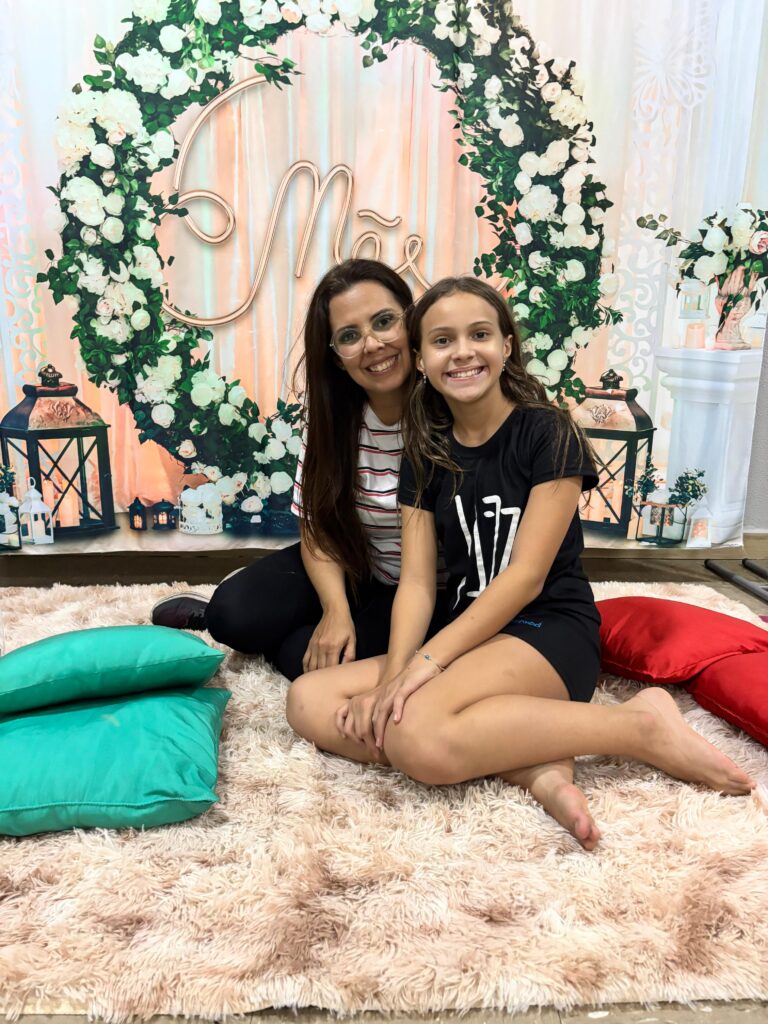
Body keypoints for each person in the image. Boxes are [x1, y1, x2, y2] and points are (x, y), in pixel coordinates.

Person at [286, 276, 755, 850]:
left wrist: (424, 667)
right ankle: (535, 766)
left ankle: (637, 726)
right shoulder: (425, 451)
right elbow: (417, 584)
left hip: (545, 628)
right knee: (308, 700)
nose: (462, 352)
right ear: (421, 359)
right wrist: (392, 679)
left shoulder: (547, 433)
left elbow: (526, 577)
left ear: (506, 345)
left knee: (417, 738)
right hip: (466, 631)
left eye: (479, 334)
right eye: (442, 340)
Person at [152, 258, 427, 680]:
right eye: (350, 336)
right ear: (337, 358)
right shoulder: (333, 420)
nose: (372, 344)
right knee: (231, 615)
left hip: (424, 591)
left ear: (412, 323)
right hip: (358, 570)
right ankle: (248, 611)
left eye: (384, 321)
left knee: (303, 659)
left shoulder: (449, 412)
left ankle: (291, 631)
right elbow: (317, 528)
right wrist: (335, 610)